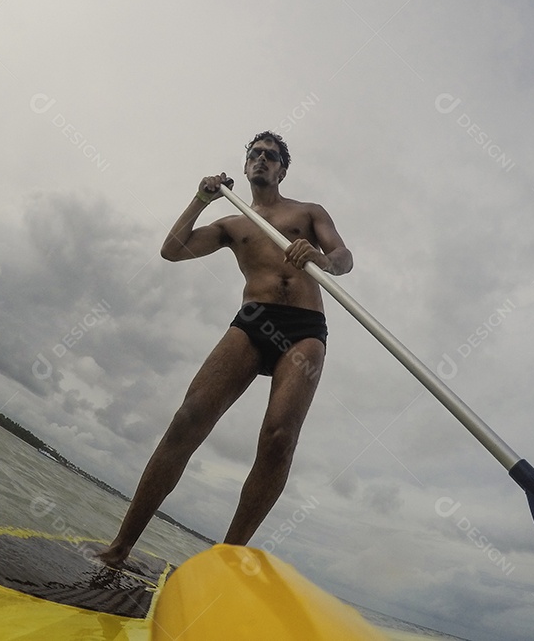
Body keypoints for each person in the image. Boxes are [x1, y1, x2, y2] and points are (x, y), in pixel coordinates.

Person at [97, 131, 352, 567]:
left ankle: (225, 561)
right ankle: (120, 547)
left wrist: (323, 259)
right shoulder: (234, 223)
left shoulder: (309, 212)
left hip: (304, 329)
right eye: (255, 154)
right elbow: (172, 250)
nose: (262, 159)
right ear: (246, 165)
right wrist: (201, 199)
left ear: (282, 170)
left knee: (279, 439)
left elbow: (344, 257)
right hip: (253, 321)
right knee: (189, 417)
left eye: (271, 156)